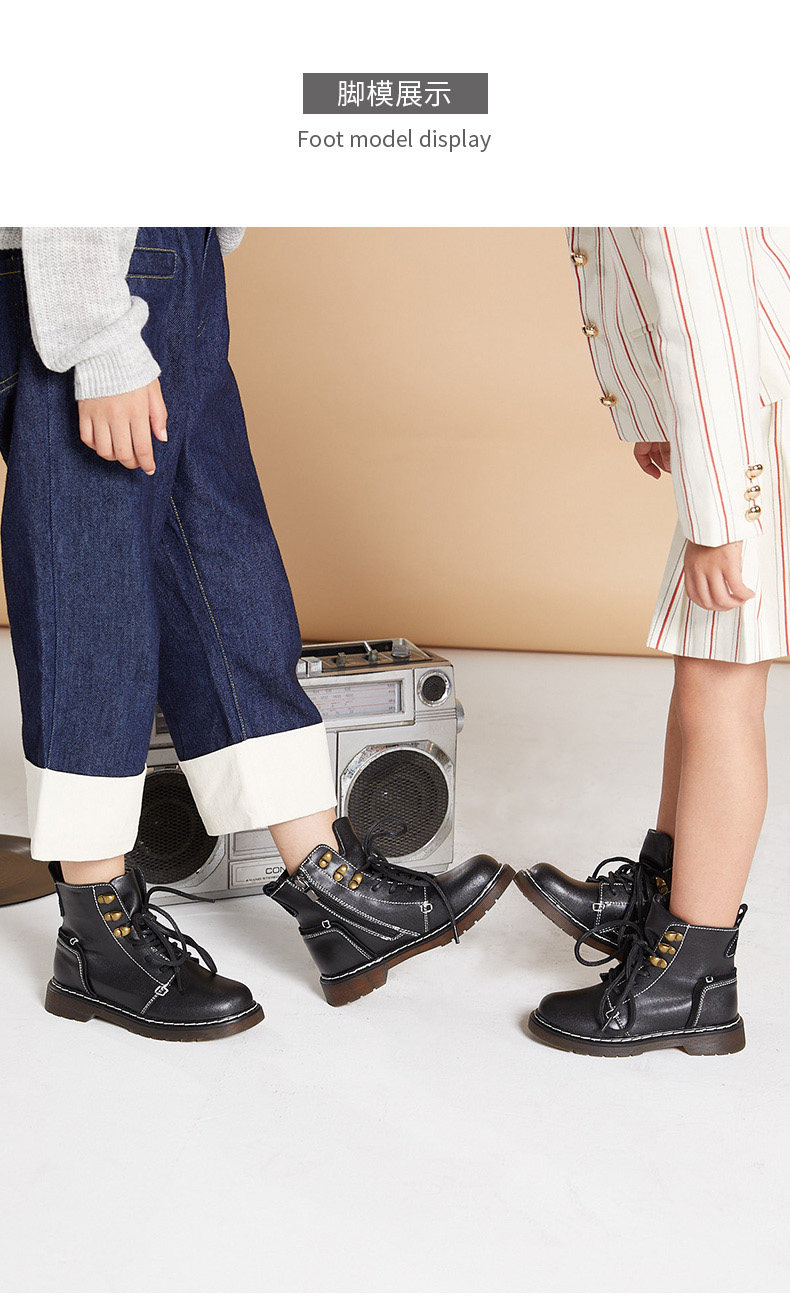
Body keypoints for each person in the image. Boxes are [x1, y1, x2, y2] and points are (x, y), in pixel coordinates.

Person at [0, 226, 513, 1041]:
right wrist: (97, 336)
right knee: (93, 587)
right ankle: (96, 933)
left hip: (175, 249)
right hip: (90, 254)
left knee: (224, 567)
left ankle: (331, 890)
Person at [519, 227, 790, 1056]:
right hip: (745, 415)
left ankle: (693, 982)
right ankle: (663, 904)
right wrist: (656, 412)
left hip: (753, 419)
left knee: (723, 684)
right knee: (703, 676)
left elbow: (707, 313)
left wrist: (716, 516)